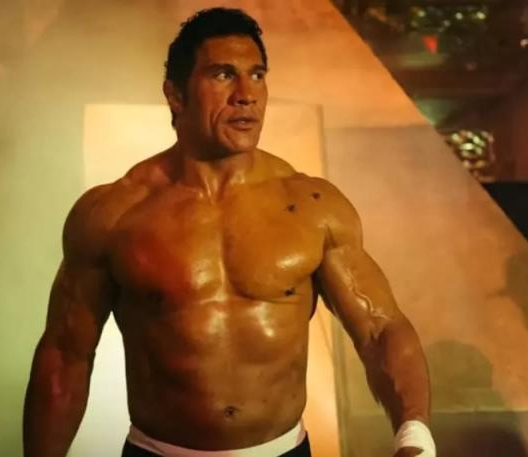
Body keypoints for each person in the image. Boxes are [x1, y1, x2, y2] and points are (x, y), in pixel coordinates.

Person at [23, 7, 434, 457]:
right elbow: (66, 354)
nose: (246, 95)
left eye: (257, 75)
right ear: (175, 95)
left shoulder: (313, 206)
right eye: (223, 75)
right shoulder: (115, 213)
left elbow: (379, 329)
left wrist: (414, 434)